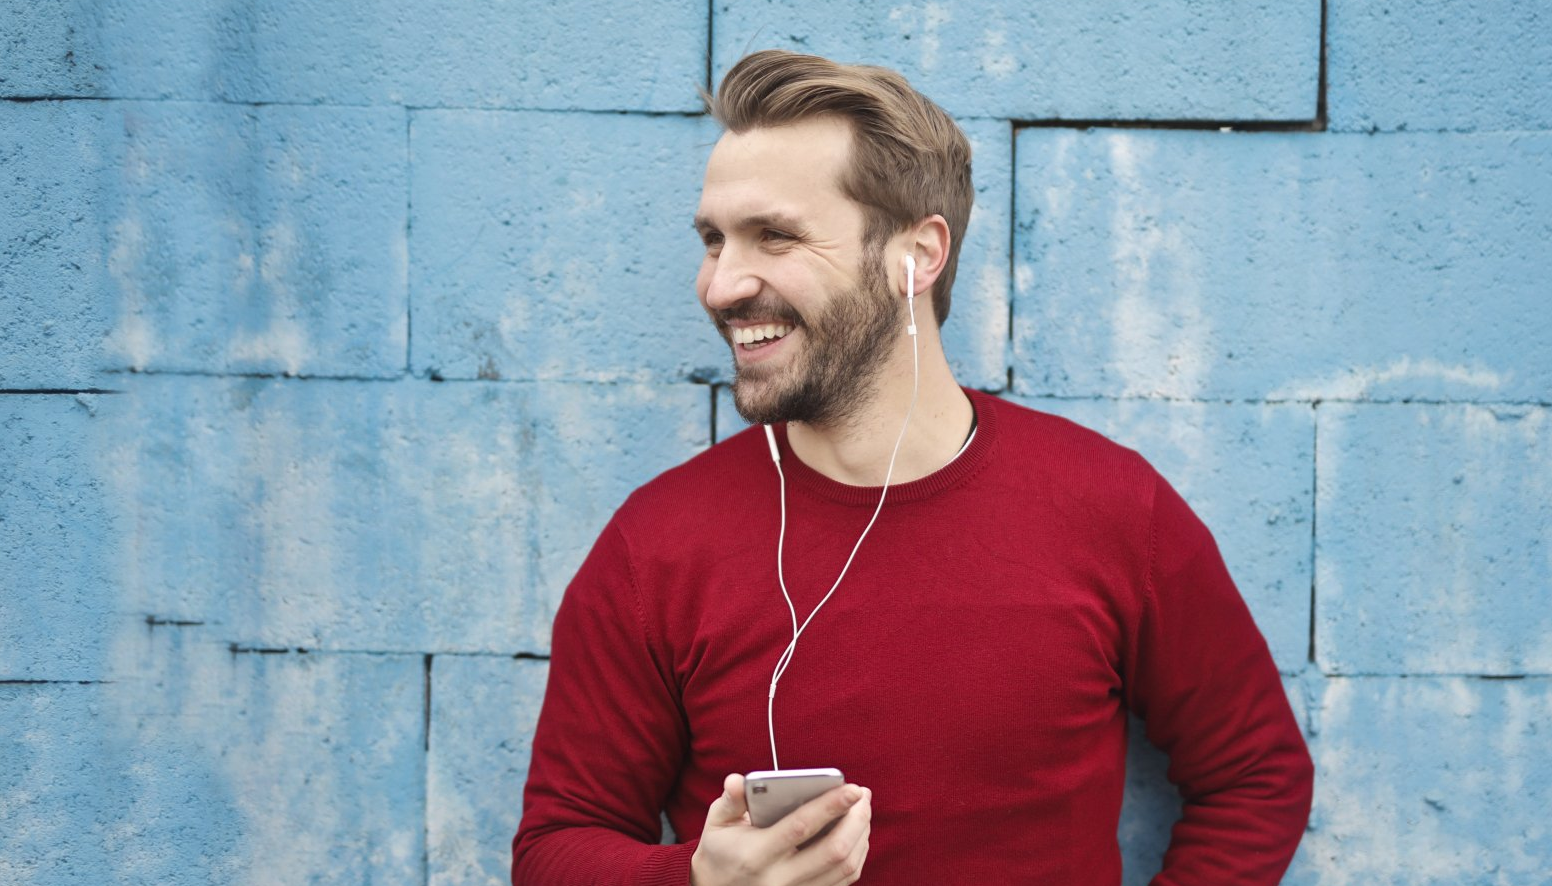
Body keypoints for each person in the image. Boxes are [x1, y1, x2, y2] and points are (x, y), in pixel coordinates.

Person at [512, 50, 1313, 886]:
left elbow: (1256, 777)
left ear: (916, 256)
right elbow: (557, 845)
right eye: (715, 239)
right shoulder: (658, 549)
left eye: (774, 235)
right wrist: (697, 882)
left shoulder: (1111, 508)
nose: (720, 285)